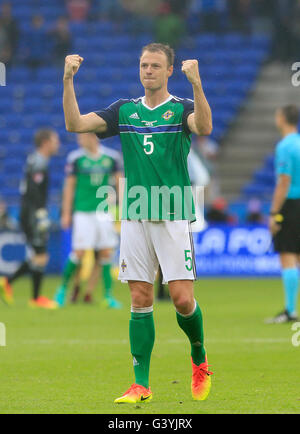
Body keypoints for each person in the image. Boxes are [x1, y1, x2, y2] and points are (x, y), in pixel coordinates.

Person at [62, 42, 213, 403]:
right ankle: (141, 384)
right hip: (134, 214)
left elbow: (204, 127)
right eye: (144, 65)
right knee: (140, 296)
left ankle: (199, 357)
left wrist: (197, 84)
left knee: (180, 300)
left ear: (169, 70)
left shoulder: (181, 109)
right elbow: (74, 124)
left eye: (155, 66)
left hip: (174, 211)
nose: (148, 70)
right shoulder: (124, 111)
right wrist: (67, 80)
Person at [54, 132, 122, 309]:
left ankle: (108, 296)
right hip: (83, 212)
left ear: (92, 137)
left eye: (82, 137)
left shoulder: (111, 158)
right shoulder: (75, 158)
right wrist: (66, 213)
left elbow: (120, 184)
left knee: (106, 252)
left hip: (104, 212)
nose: (79, 141)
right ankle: (61, 290)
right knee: (79, 252)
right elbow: (69, 187)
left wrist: (122, 209)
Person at [0, 129, 60, 308]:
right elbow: (33, 191)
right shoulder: (39, 162)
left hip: (29, 213)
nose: (58, 144)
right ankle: (34, 298)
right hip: (33, 214)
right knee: (41, 255)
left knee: (38, 255)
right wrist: (40, 213)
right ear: (45, 142)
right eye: (55, 140)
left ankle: (8, 283)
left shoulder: (35, 160)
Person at [266, 105, 300, 324]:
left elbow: (284, 182)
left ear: (282, 119)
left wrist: (274, 212)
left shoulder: (285, 146)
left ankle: (290, 310)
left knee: (287, 255)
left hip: (291, 205)